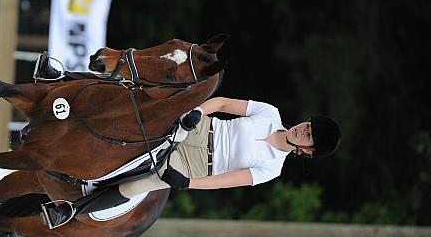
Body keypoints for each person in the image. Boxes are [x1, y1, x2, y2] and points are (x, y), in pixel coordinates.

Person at [41, 97, 342, 229]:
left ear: (309, 150)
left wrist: (187, 183)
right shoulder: (270, 113)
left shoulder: (272, 168)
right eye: (308, 124)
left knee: (141, 183)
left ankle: (71, 211)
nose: (303, 129)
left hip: (197, 164)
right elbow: (223, 104)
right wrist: (197, 111)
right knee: (143, 113)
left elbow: (224, 181)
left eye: (308, 134)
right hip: (200, 127)